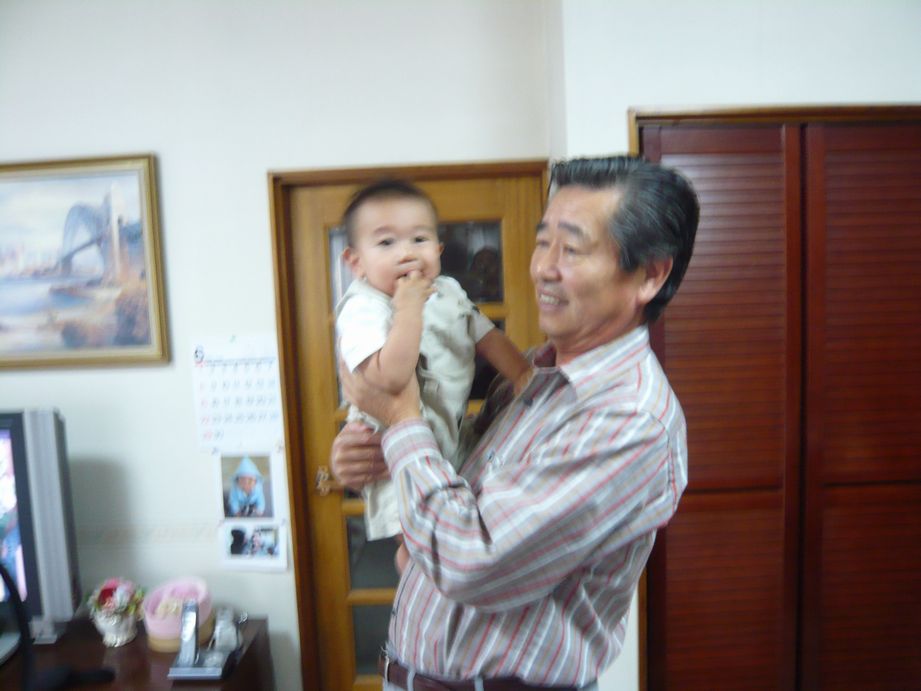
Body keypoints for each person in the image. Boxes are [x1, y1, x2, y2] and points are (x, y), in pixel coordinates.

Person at [331, 155, 699, 690]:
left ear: (650, 275)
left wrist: (400, 419)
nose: (543, 267)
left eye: (571, 249)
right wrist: (364, 448)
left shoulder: (627, 421)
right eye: (543, 241)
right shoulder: (534, 377)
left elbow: (470, 560)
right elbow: (449, 476)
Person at [335, 179, 531, 568]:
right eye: (386, 242)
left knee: (455, 524)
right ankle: (414, 585)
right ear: (355, 262)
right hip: (391, 454)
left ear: (438, 250)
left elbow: (486, 337)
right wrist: (408, 308)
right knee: (418, 545)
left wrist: (525, 377)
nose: (407, 252)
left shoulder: (449, 290)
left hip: (450, 436)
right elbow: (392, 379)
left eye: (420, 239)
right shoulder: (364, 308)